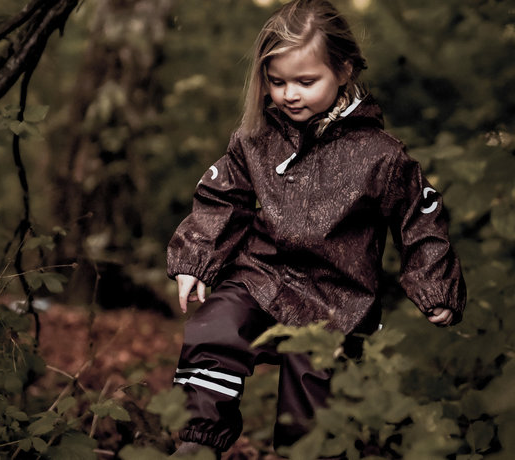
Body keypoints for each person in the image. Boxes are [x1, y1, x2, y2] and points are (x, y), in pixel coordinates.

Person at [166, 0, 466, 457]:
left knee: (311, 406)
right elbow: (222, 196)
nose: (289, 94)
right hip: (261, 276)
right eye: (277, 81)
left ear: (344, 70)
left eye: (306, 82)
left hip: (337, 297)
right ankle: (199, 440)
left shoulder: (380, 156)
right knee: (215, 327)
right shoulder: (256, 138)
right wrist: (197, 259)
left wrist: (433, 286)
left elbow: (420, 218)